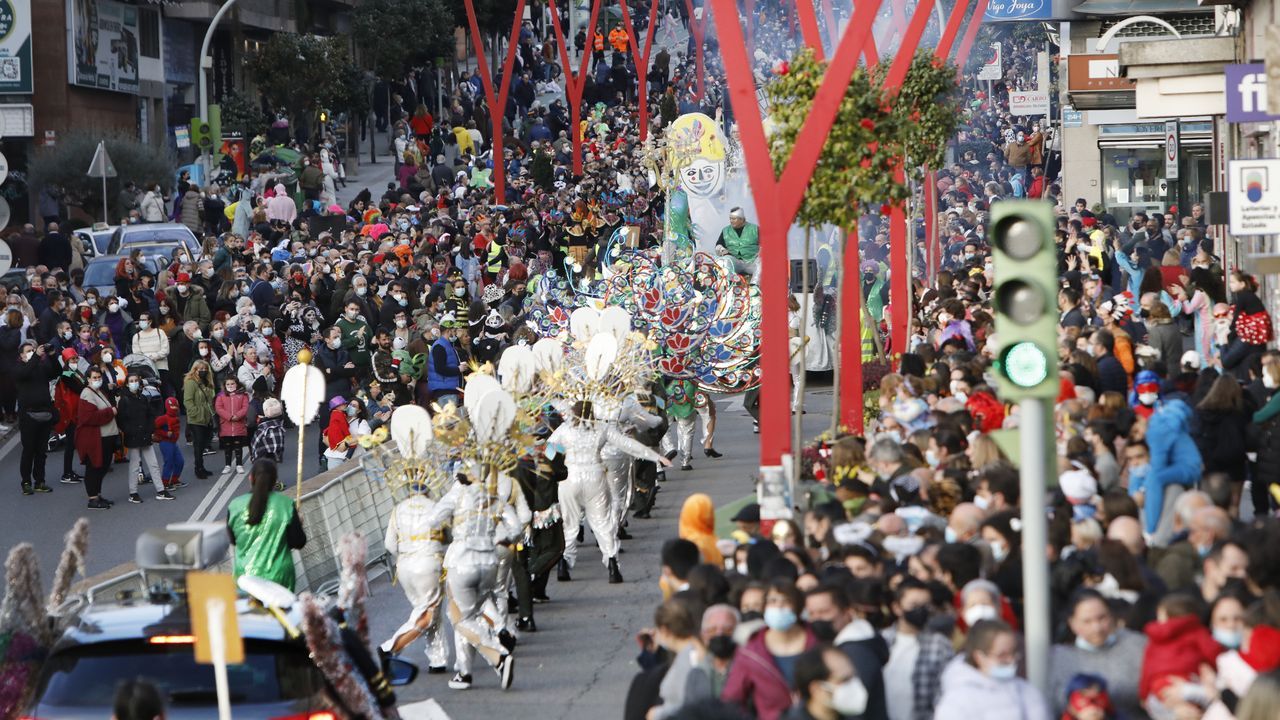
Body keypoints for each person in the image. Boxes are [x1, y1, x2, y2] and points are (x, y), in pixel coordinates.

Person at [380, 473, 450, 674]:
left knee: (426, 610)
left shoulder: (398, 509)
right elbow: (449, 538)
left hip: (405, 567)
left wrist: (405, 554)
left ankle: (437, 658)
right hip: (429, 563)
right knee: (427, 614)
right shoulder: (436, 507)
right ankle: (390, 647)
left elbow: (389, 544)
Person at [722, 579, 818, 720]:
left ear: (798, 607)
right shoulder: (751, 652)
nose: (778, 606)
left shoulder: (818, 644)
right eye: (772, 601)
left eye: (786, 601)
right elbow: (731, 700)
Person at [1046, 589, 1148, 719]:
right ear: (1072, 623)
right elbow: (1053, 705)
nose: (1097, 628)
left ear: (1111, 615)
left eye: (1102, 618)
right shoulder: (1059, 657)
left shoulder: (1136, 644)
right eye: (1087, 621)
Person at [934, 619, 1050, 720]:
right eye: (1002, 655)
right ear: (979, 657)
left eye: (1013, 652)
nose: (1011, 660)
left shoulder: (1027, 691)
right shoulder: (957, 701)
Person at [226, 459, 306, 591]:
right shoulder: (286, 504)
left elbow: (233, 540)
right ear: (275, 481)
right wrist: (299, 524)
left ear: (251, 478)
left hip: (246, 577)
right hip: (279, 576)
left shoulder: (235, 505)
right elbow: (298, 542)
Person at [116, 372, 170, 504]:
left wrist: (150, 429)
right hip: (134, 436)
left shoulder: (143, 398)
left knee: (153, 464)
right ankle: (133, 492)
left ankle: (160, 490)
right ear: (127, 384)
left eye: (136, 380)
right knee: (135, 466)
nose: (134, 383)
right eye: (131, 381)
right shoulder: (124, 400)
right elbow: (121, 421)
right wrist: (130, 431)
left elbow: (150, 415)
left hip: (145, 435)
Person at [15, 341, 57, 496]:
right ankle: (26, 482)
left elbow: (55, 372)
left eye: (33, 350)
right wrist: (36, 357)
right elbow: (24, 374)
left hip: (44, 413)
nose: (32, 352)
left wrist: (52, 356)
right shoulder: (18, 368)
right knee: (29, 450)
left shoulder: (40, 366)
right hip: (28, 415)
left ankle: (40, 481)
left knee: (41, 451)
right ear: (21, 355)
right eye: (28, 350)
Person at [75, 366, 119, 510]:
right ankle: (93, 498)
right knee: (94, 467)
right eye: (94, 378)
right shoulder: (87, 394)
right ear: (88, 379)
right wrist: (110, 411)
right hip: (95, 438)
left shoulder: (98, 391)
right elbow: (90, 417)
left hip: (105, 436)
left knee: (103, 466)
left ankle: (98, 495)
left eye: (99, 377)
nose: (97, 380)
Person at [787, 646, 870, 720]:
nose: (854, 684)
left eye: (853, 676)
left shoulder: (855, 715)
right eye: (844, 680)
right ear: (817, 689)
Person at [182, 360, 216, 479]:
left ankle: (202, 467)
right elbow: (188, 401)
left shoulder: (206, 382)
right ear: (195, 370)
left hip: (206, 417)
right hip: (196, 419)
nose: (202, 371)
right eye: (200, 369)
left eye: (204, 369)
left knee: (204, 443)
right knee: (198, 443)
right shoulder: (191, 383)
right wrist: (195, 413)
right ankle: (198, 468)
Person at [214, 375, 251, 474]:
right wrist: (229, 417)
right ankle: (227, 465)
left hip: (239, 425)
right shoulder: (221, 396)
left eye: (232, 383)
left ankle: (239, 464)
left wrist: (237, 416)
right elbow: (218, 408)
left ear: (237, 384)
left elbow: (245, 407)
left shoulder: (243, 395)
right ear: (224, 385)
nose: (230, 386)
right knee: (227, 446)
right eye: (228, 384)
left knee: (238, 445)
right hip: (226, 425)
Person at [153, 396, 185, 490]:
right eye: (172, 406)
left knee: (180, 461)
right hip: (165, 443)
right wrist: (165, 434)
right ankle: (165, 482)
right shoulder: (163, 418)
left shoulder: (175, 417)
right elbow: (153, 428)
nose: (174, 408)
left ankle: (174, 480)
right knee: (169, 462)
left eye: (176, 406)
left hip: (173, 443)